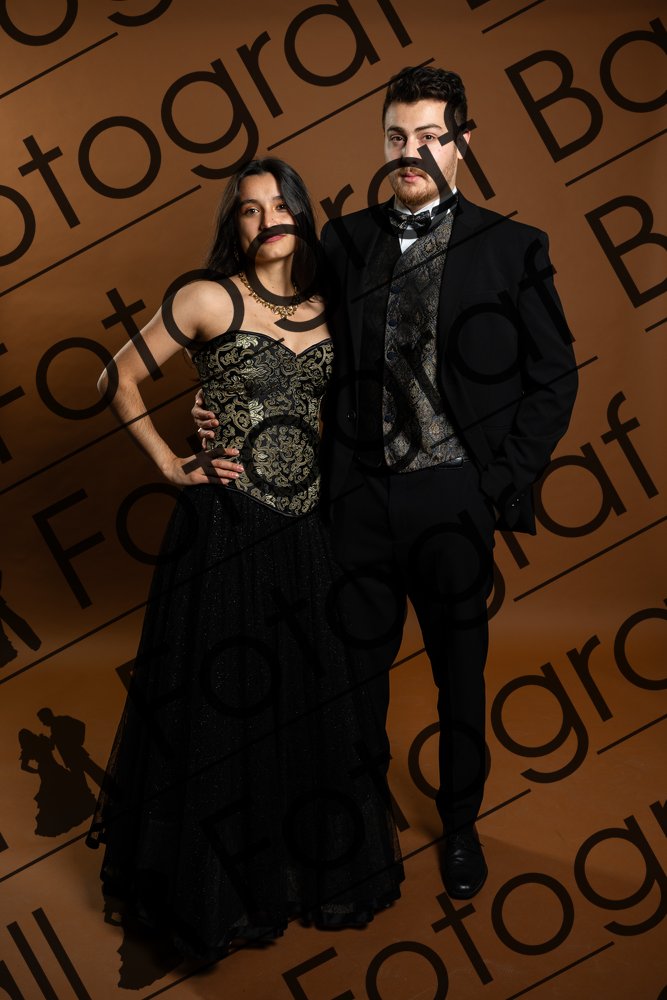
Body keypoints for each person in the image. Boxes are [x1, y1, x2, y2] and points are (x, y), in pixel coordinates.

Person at [195, 65, 578, 902]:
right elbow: (286, 329)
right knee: (352, 674)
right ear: (383, 142)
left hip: (453, 498)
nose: (413, 152)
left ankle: (461, 825)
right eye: (398, 137)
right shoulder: (344, 241)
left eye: (431, 136)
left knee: (460, 676)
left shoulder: (512, 247)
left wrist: (497, 482)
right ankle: (358, 823)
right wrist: (223, 391)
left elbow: (554, 376)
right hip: (358, 499)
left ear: (462, 142)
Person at [87, 157, 403, 963]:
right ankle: (212, 889)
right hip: (224, 529)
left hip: (306, 532)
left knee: (301, 700)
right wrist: (170, 462)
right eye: (250, 210)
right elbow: (114, 375)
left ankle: (289, 868)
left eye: (279, 205)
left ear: (300, 213)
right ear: (236, 224)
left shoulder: (332, 303)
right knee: (219, 707)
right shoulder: (206, 297)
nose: (268, 220)